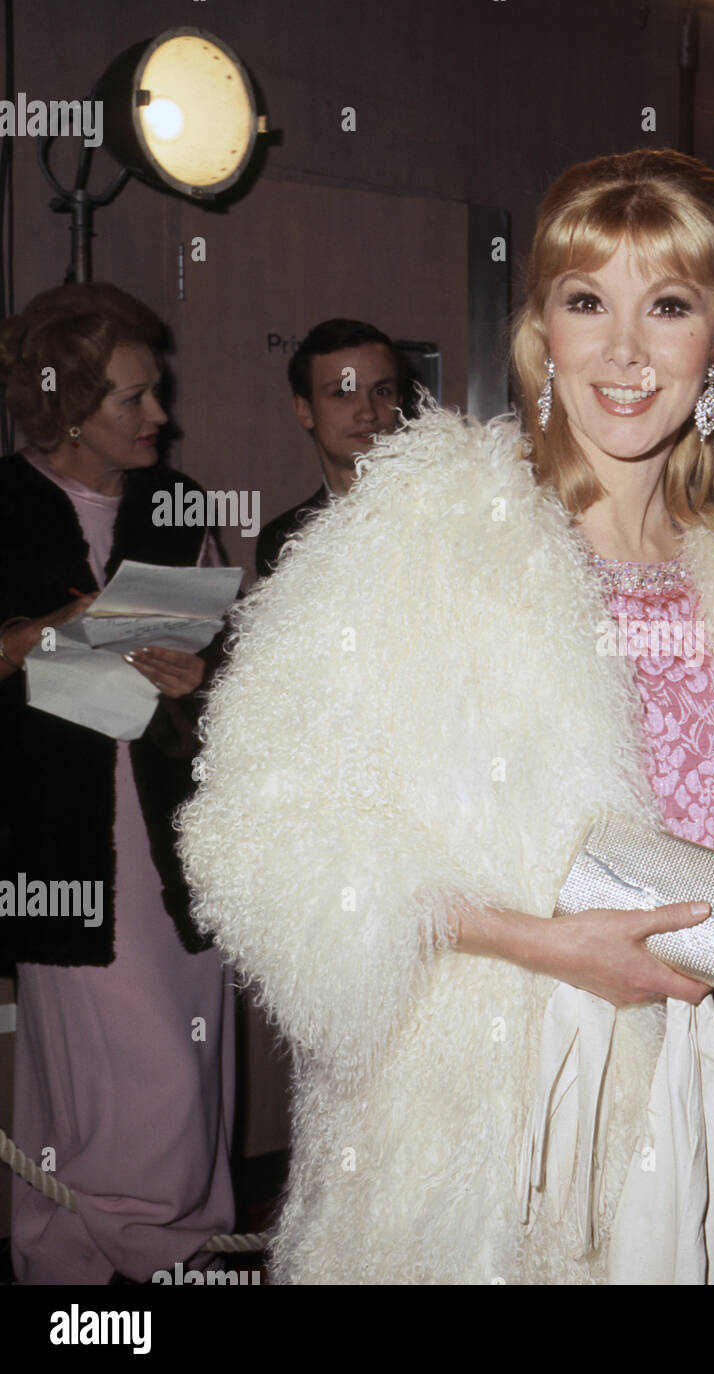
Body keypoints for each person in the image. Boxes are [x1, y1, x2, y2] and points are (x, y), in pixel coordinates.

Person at [177, 148, 714, 1285]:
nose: (626, 351)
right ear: (542, 327)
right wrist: (545, 945)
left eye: (671, 306)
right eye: (587, 301)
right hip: (495, 1141)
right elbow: (259, 841)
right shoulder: (426, 529)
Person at [0, 282, 235, 1283]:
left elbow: (222, 665)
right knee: (92, 1073)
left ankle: (150, 1254)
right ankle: (94, 1265)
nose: (159, 417)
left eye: (155, 394)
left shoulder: (178, 504)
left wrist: (200, 674)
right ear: (64, 405)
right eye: (132, 400)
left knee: (183, 1059)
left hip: (174, 828)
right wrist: (50, 634)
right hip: (56, 833)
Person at [254, 318, 404, 579]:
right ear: (305, 410)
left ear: (400, 403)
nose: (367, 412)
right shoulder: (281, 541)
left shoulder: (447, 515)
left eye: (381, 391)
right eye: (343, 393)